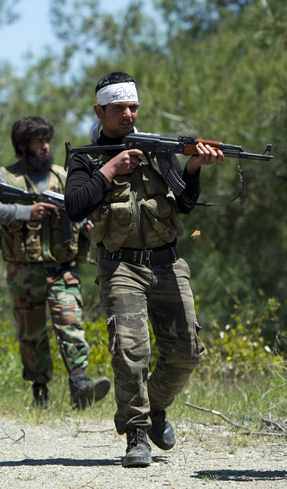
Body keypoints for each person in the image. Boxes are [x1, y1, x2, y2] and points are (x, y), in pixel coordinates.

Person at [64, 72, 224, 468]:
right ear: (100, 111)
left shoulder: (158, 150)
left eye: (133, 106)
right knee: (130, 352)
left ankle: (154, 410)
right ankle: (136, 434)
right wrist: (110, 169)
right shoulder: (86, 157)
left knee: (187, 350)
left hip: (168, 262)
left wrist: (193, 169)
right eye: (119, 108)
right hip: (120, 267)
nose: (128, 114)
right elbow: (75, 206)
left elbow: (184, 203)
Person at [0, 116, 110, 411]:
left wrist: (87, 224)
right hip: (24, 270)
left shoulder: (63, 176)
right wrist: (25, 212)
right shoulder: (5, 177)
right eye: (38, 141)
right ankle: (40, 391)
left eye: (47, 140)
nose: (45, 146)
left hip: (63, 267)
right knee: (31, 332)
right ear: (22, 146)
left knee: (71, 323)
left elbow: (83, 206)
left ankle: (80, 383)